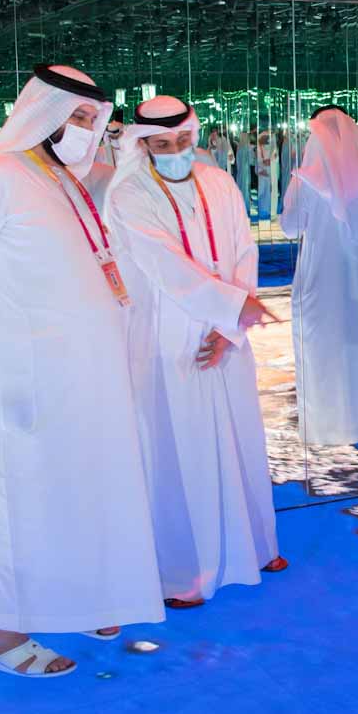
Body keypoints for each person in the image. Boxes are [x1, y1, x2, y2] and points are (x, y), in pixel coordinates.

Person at [0, 64, 164, 678]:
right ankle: (6, 637)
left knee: (78, 490)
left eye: (92, 118)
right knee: (19, 501)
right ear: (44, 114)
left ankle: (79, 601)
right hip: (22, 379)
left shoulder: (59, 179)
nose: (86, 128)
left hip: (82, 377)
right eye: (75, 116)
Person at [104, 95, 285, 609]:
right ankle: (188, 571)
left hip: (226, 336)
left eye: (183, 139)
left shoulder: (218, 181)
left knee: (239, 436)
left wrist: (231, 322)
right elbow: (163, 264)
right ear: (144, 144)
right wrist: (232, 309)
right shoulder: (129, 194)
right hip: (168, 337)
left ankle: (254, 546)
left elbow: (244, 250)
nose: (176, 151)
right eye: (162, 144)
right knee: (181, 449)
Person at [280, 106, 358, 446]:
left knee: (321, 353)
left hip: (320, 283)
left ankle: (323, 429)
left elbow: (290, 228)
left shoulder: (307, 177)